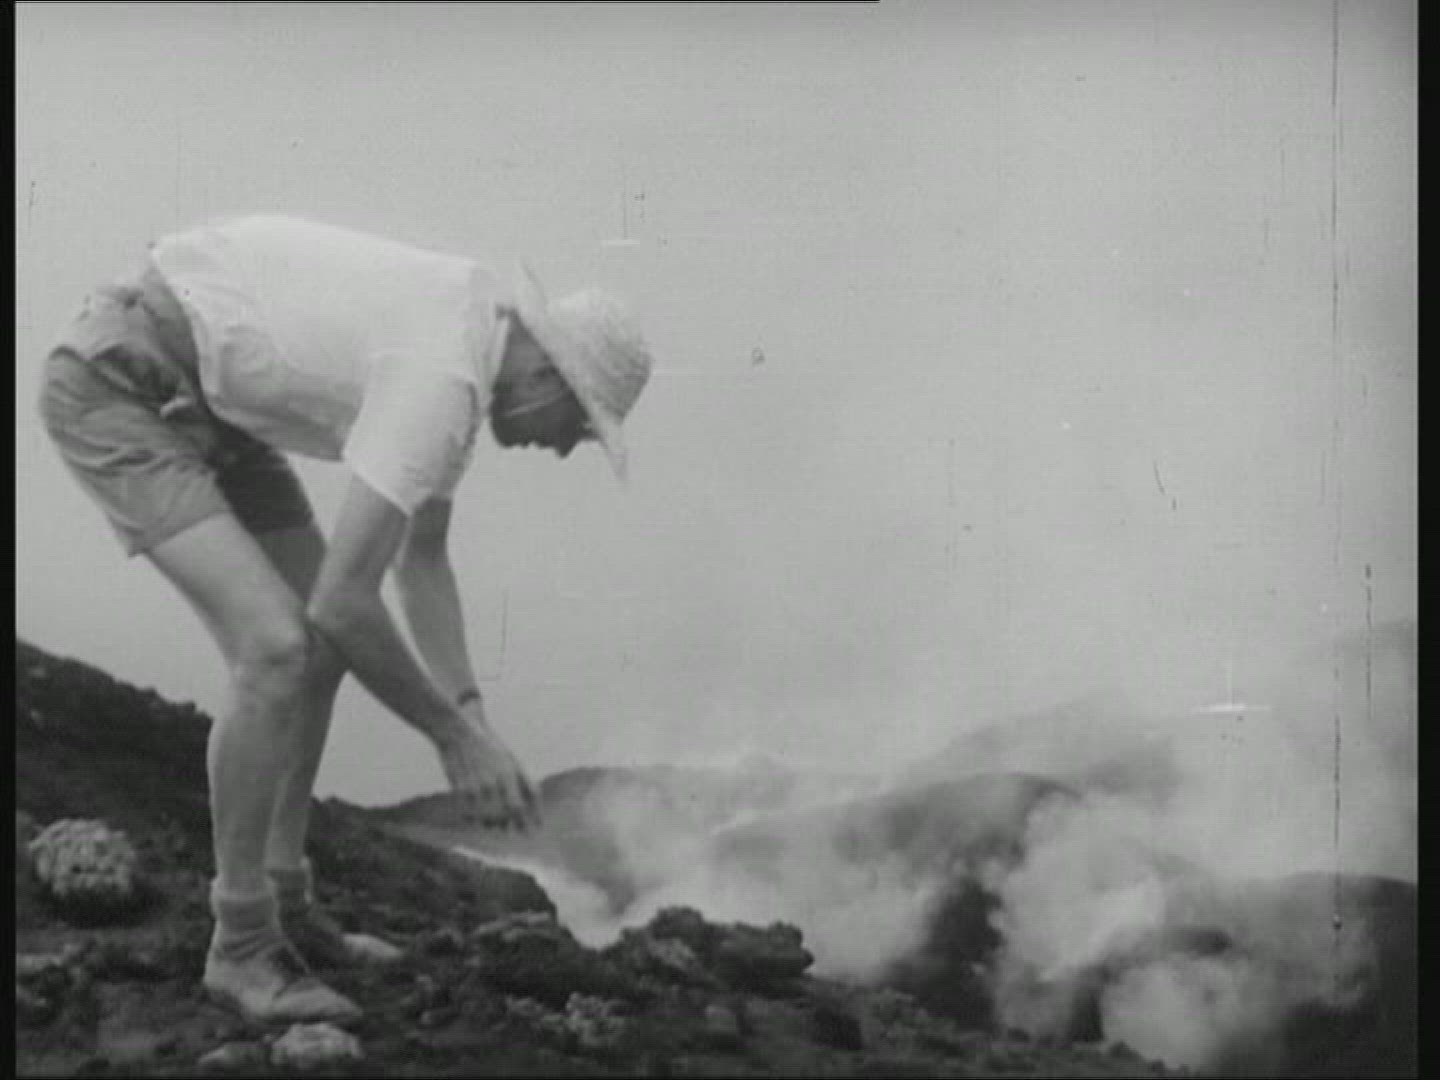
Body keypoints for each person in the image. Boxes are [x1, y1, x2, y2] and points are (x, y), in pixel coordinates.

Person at [36, 214, 653, 1023]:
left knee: (319, 651)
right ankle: (240, 944)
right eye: (579, 425)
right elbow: (344, 599)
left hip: (213, 402)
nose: (567, 447)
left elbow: (421, 562)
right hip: (119, 383)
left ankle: (287, 906)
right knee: (276, 648)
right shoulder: (444, 378)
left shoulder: (469, 350)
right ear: (548, 378)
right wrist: (451, 739)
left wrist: (470, 715)